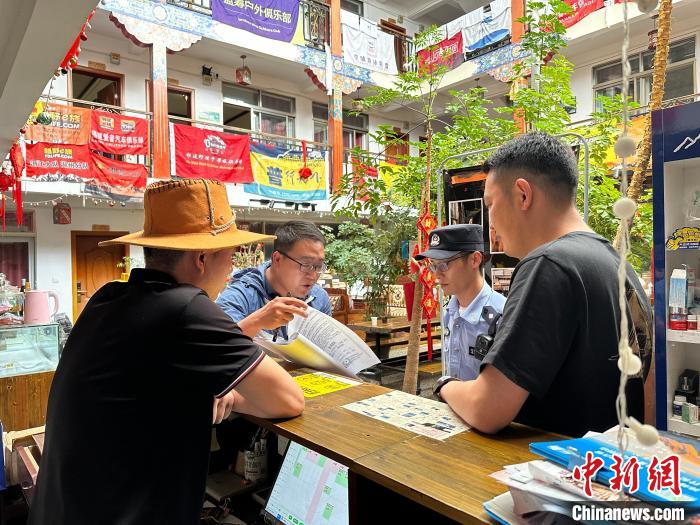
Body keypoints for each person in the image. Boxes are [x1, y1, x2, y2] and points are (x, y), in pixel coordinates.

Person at [29, 179, 305, 525]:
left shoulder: (107, 298)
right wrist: (232, 396)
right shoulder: (185, 308)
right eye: (231, 257)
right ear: (202, 258)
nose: (232, 269)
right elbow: (289, 399)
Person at [433, 132, 652, 437]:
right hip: (606, 461)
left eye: (491, 204)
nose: (490, 222)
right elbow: (647, 394)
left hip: (550, 462)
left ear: (523, 195)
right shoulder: (619, 265)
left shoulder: (547, 264)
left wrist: (446, 385)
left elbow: (487, 408)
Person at [415, 224, 506, 380]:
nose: (437, 275)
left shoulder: (502, 315)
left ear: (475, 260)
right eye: (433, 266)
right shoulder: (450, 311)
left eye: (443, 265)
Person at [217, 220, 332, 339]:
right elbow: (218, 344)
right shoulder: (239, 297)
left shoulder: (319, 298)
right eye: (306, 264)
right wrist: (256, 322)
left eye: (318, 266)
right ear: (277, 259)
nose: (313, 275)